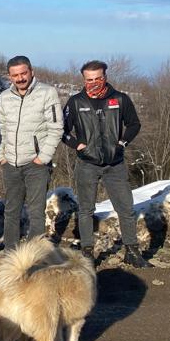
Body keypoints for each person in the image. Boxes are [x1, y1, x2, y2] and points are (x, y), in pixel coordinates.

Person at [63, 60, 150, 268]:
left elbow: (134, 124)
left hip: (115, 163)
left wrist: (122, 143)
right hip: (87, 164)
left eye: (97, 79)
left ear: (105, 77)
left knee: (126, 208)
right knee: (85, 210)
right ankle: (87, 253)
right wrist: (77, 145)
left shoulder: (120, 99)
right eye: (89, 79)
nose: (93, 83)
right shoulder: (75, 102)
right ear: (84, 79)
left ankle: (132, 250)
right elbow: (62, 132)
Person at [0, 56, 62, 250]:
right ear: (10, 77)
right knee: (11, 210)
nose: (20, 78)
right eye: (15, 75)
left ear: (31, 71)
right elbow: (2, 128)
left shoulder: (47, 93)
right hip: (11, 163)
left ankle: (35, 254)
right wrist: (1, 156)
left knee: (36, 212)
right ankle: (11, 254)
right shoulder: (5, 97)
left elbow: (56, 128)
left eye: (23, 73)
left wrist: (43, 157)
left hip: (36, 164)